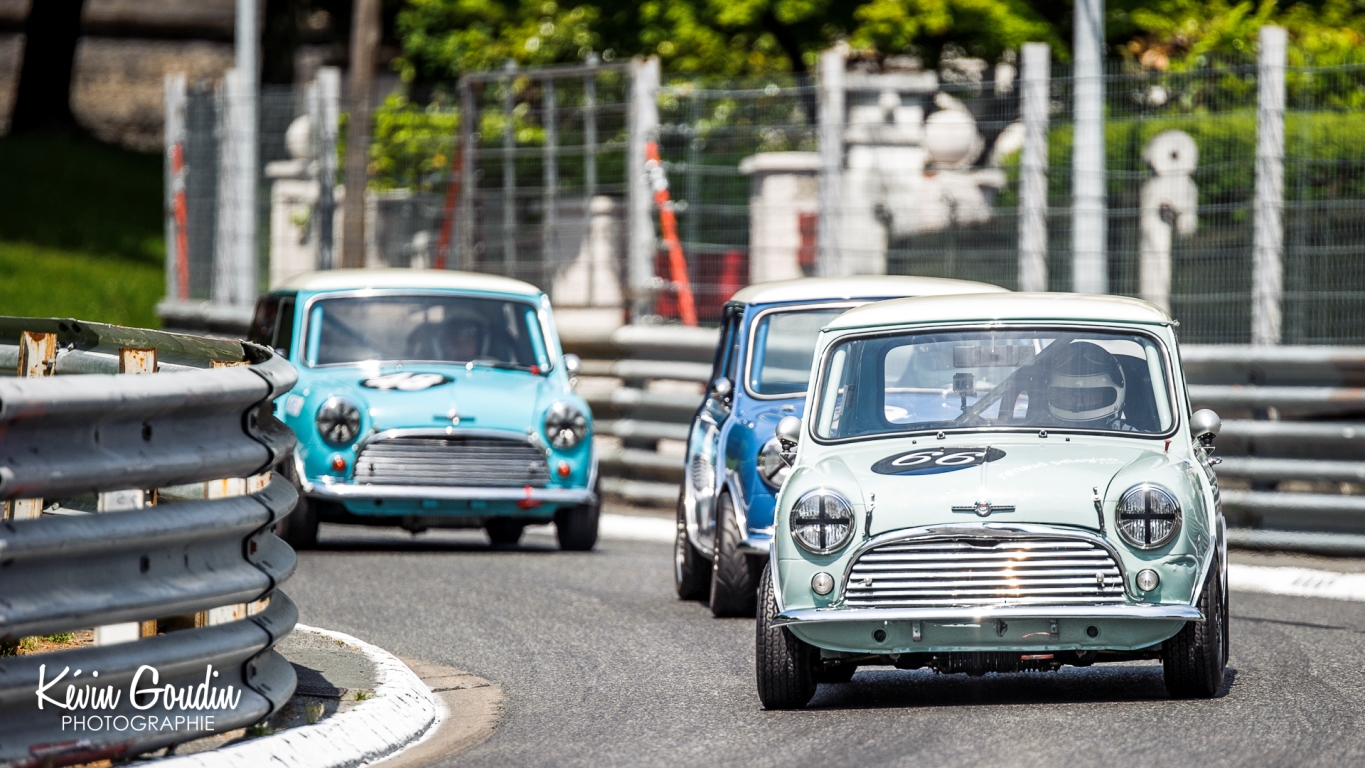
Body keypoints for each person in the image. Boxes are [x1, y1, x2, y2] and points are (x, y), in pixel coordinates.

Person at [1045, 341, 1136, 431]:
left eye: (1089, 397)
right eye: (1069, 397)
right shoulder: (1041, 430)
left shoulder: (1133, 438)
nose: (1079, 404)